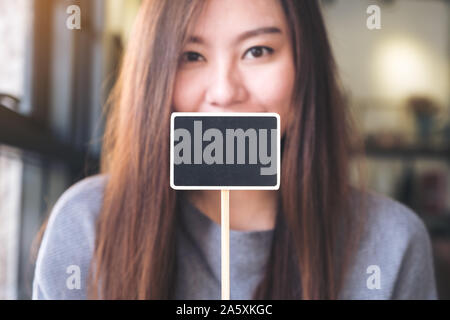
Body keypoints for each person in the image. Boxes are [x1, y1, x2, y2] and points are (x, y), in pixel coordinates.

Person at [32, 0, 437, 300]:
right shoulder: (86, 224)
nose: (224, 92)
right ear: (153, 80)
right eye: (191, 56)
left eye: (257, 51)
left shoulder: (392, 241)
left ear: (306, 69)